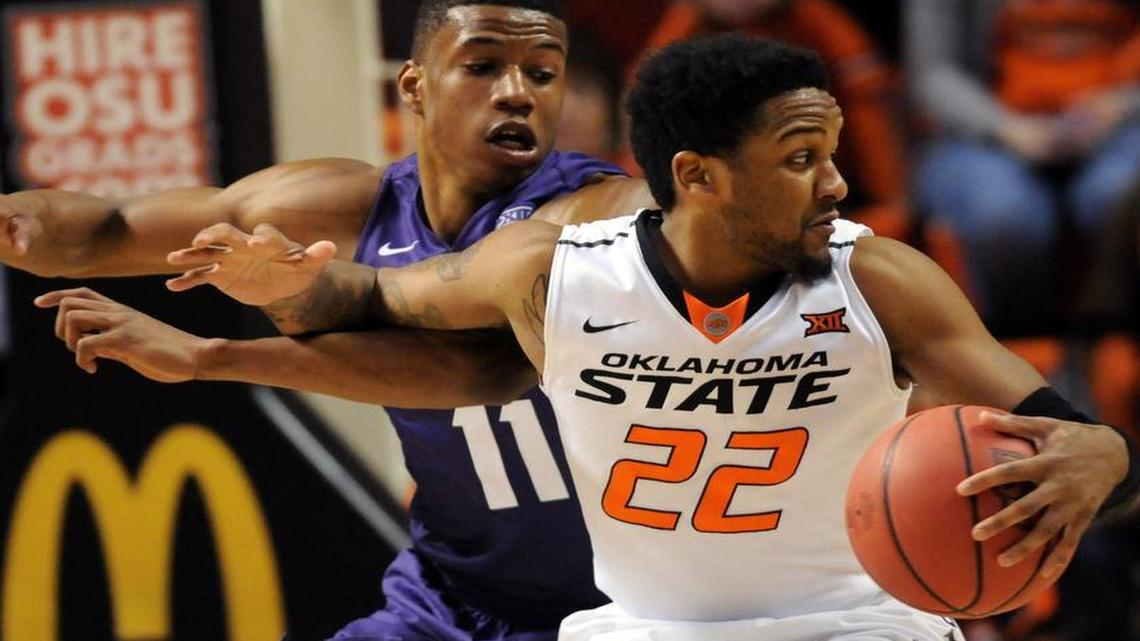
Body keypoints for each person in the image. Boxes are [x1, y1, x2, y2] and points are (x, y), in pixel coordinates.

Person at [46, 35, 1138, 640]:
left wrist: (1105, 453)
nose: (842, 182)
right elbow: (378, 309)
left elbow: (1061, 431)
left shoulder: (880, 280)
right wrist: (281, 292)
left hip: (852, 628)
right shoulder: (552, 274)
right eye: (803, 157)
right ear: (701, 178)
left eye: (833, 152)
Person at [4, 1, 662, 639]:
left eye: (542, 73)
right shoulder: (339, 207)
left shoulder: (591, 214)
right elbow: (109, 229)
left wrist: (218, 351)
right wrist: (21, 221)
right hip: (455, 596)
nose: (517, 92)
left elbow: (476, 367)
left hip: (625, 605)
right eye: (483, 66)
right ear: (414, 84)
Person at [905, 0, 1140, 332]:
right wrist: (1005, 128)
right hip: (984, 133)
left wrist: (1121, 105)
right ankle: (1020, 354)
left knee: (1118, 197)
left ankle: (1112, 358)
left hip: (1123, 126)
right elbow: (932, 75)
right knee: (1003, 216)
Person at [631, 0, 913, 241]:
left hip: (828, 198)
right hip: (710, 204)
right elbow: (644, 141)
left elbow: (879, 157)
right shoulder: (675, 38)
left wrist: (882, 213)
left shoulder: (826, 30)